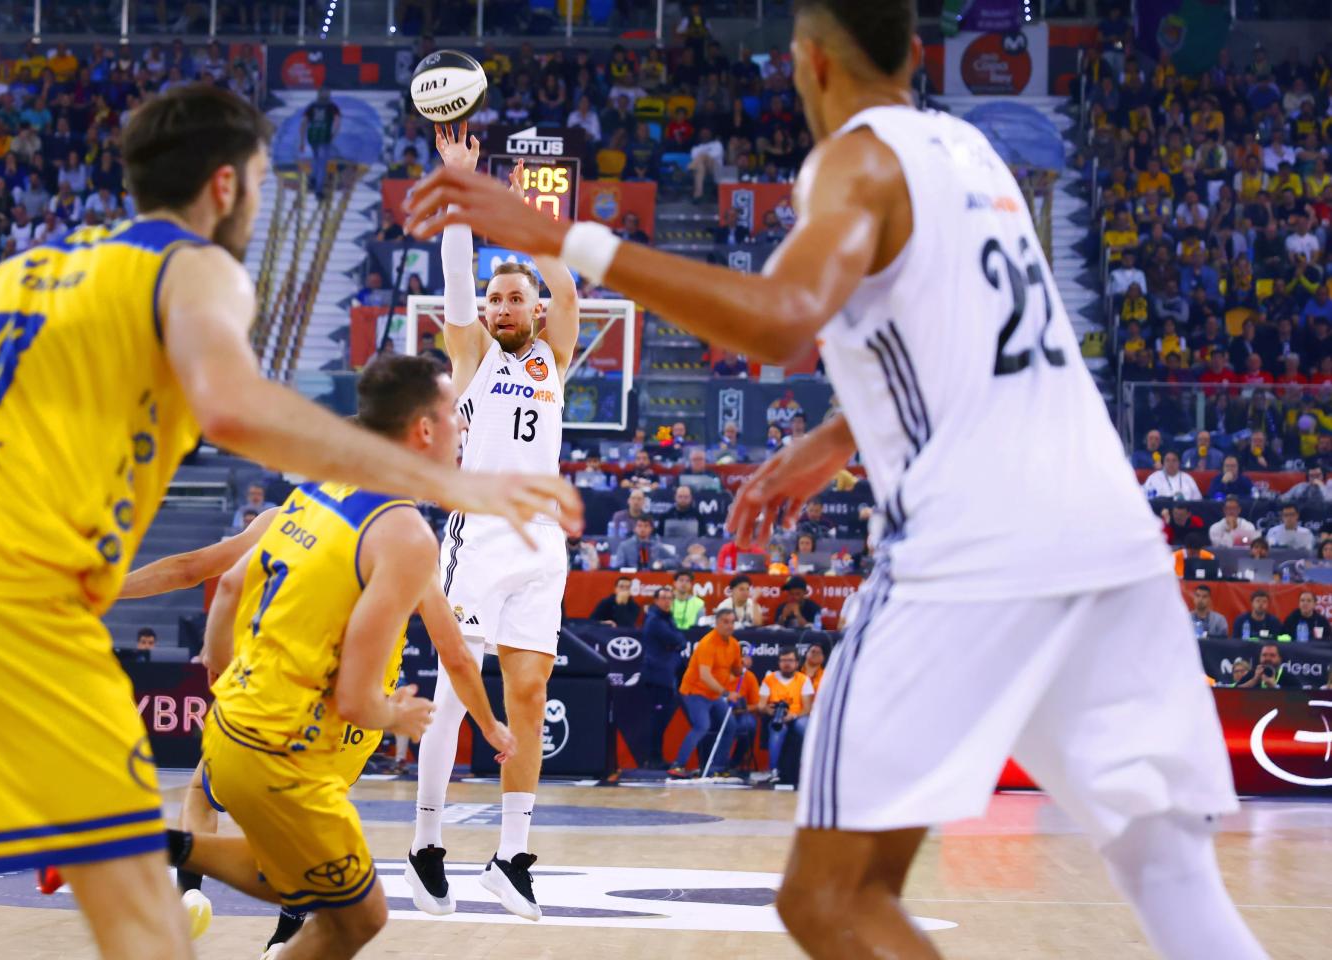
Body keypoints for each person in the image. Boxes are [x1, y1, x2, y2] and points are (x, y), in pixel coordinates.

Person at [397, 4, 1262, 957]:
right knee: (1173, 878)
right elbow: (985, 348)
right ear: (919, 54)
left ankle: (495, 849)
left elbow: (780, 317)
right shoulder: (976, 157)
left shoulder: (854, 159)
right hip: (1112, 531)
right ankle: (436, 838)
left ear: (810, 63)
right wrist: (842, 434)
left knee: (827, 899)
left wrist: (569, 241)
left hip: (975, 545)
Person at [0, 85, 578, 960]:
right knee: (147, 931)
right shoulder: (194, 267)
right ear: (227, 186)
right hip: (4, 602)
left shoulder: (21, 271)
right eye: (264, 178)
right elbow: (233, 411)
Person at [200, 355, 519, 959]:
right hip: (284, 751)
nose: (463, 428)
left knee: (306, 884)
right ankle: (137, 845)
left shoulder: (316, 489)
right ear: (424, 430)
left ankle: (156, 845)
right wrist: (395, 717)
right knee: (358, 914)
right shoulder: (403, 535)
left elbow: (229, 589)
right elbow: (355, 701)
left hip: (229, 730)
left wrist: (220, 676)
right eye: (456, 414)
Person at [410, 127, 585, 923]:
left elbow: (570, 291)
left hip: (542, 544)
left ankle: (510, 858)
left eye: (517, 296)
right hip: (477, 536)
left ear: (536, 308)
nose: (504, 305)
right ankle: (425, 845)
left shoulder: (554, 355)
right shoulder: (472, 354)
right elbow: (454, 278)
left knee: (530, 691)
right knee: (456, 693)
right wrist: (461, 187)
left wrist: (530, 226)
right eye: (495, 298)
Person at [668, 608, 745, 778]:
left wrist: (742, 665)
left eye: (732, 622)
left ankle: (718, 767)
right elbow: (705, 676)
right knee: (702, 726)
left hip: (713, 695)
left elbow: (737, 670)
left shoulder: (733, 644)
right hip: (695, 691)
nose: (729, 626)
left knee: (730, 726)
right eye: (725, 622)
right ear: (717, 623)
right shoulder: (708, 643)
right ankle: (678, 765)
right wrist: (726, 693)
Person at [640, 587, 686, 769]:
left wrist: (676, 642)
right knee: (658, 720)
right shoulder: (655, 620)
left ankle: (655, 757)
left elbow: (680, 640)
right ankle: (653, 759)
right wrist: (676, 643)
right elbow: (676, 640)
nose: (667, 601)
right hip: (657, 676)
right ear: (656, 600)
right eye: (664, 598)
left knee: (661, 720)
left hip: (665, 675)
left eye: (670, 598)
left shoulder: (667, 618)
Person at [761, 648, 815, 785]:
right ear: (779, 663)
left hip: (798, 716)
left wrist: (793, 715)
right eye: (783, 660)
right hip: (776, 716)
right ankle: (774, 771)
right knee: (778, 729)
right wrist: (769, 710)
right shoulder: (769, 679)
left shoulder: (804, 679)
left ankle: (810, 768)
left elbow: (807, 708)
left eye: (790, 660)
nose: (786, 664)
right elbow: (761, 705)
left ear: (797, 663)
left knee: (805, 727)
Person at [301, 87, 341, 198]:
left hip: (313, 136)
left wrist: (302, 140)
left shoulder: (312, 106)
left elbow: (304, 122)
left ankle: (313, 178)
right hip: (324, 137)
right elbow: (337, 121)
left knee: (315, 158)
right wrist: (334, 134)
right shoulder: (332, 107)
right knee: (322, 164)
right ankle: (318, 190)